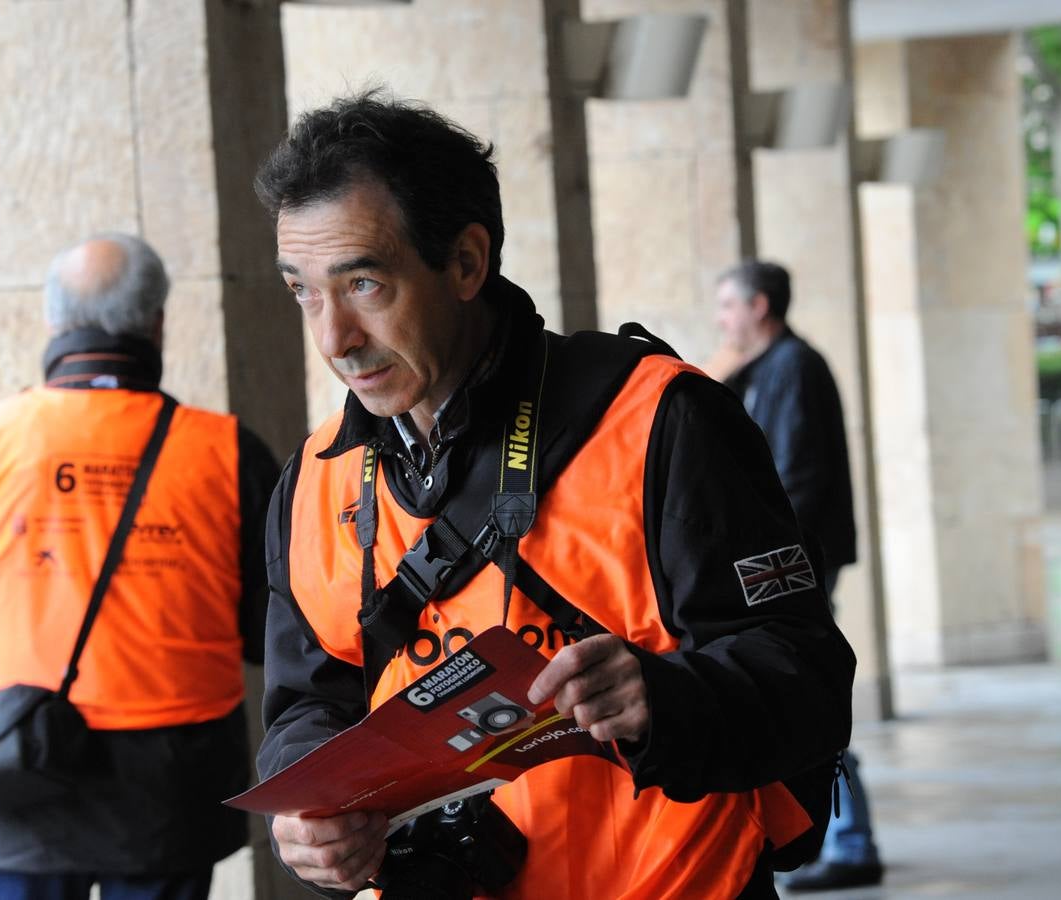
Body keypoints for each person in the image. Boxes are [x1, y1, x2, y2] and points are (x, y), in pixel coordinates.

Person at [253, 93, 856, 900]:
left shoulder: (658, 421)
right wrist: (310, 811)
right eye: (303, 292)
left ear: (467, 262)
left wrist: (664, 698)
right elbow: (306, 703)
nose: (334, 339)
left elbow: (809, 681)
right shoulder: (315, 478)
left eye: (364, 283)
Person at [0, 233, 280, 900]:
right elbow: (267, 629)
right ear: (157, 323)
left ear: (52, 322)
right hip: (171, 781)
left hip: (17, 762)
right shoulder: (227, 451)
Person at [715, 260, 885, 892]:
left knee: (808, 693)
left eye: (728, 306)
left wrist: (771, 571)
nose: (721, 320)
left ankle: (851, 839)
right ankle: (840, 838)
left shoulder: (793, 367)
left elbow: (793, 482)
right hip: (795, 564)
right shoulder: (775, 367)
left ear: (760, 306)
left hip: (793, 567)